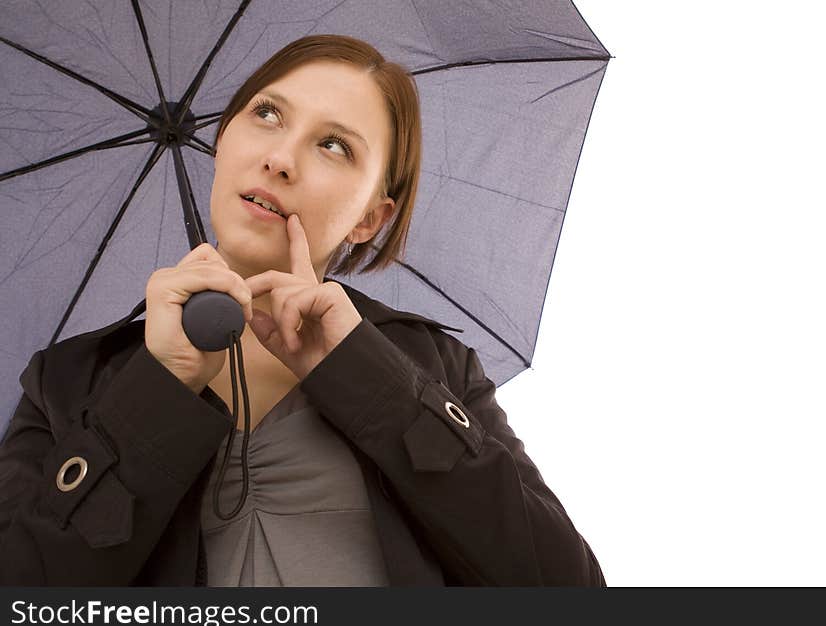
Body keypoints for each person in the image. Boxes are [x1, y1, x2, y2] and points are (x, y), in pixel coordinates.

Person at [0, 35, 605, 586]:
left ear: (372, 218)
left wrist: (375, 382)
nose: (281, 158)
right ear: (223, 139)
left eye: (334, 145)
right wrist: (155, 390)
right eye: (267, 114)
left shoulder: (432, 364)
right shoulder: (67, 380)